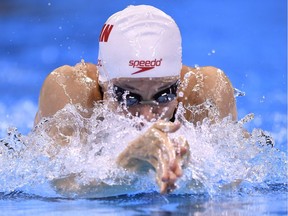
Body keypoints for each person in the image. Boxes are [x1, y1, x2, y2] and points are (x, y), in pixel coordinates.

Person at [34, 5, 237, 196]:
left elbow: (230, 184)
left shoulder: (205, 91)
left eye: (164, 95)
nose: (148, 116)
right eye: (129, 98)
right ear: (103, 82)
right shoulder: (71, 91)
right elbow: (64, 187)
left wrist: (194, 170)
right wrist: (128, 165)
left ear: (178, 83)